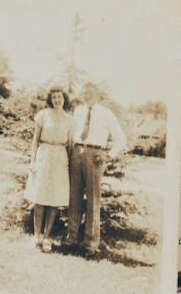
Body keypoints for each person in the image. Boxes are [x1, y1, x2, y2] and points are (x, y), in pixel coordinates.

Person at [65, 83, 126, 255]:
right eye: (84, 93)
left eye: (90, 93)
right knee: (74, 197)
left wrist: (108, 155)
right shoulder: (78, 111)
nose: (87, 96)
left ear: (97, 95)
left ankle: (90, 244)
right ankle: (71, 239)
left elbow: (121, 139)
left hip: (95, 155)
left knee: (93, 200)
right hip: (77, 152)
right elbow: (71, 133)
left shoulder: (106, 113)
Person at [23, 87, 73, 251]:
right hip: (43, 156)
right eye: (54, 98)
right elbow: (35, 141)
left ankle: (47, 237)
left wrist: (70, 165)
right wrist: (32, 161)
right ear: (50, 100)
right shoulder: (43, 115)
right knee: (40, 196)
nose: (57, 100)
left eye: (59, 97)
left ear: (64, 99)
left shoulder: (69, 119)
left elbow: (70, 145)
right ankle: (36, 236)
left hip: (60, 158)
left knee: (54, 198)